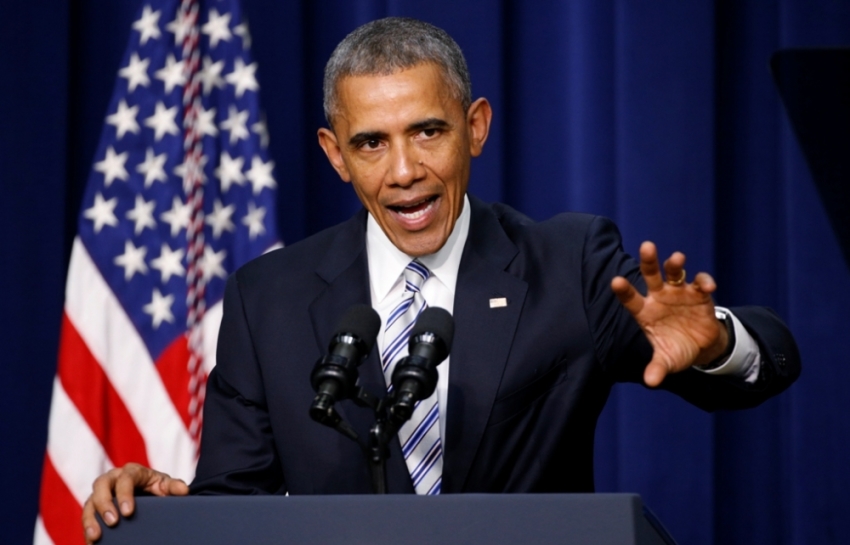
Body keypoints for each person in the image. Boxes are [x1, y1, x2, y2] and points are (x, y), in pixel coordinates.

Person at [82, 17, 800, 543]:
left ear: (475, 127)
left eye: (428, 131)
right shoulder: (266, 296)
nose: (403, 171)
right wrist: (169, 510)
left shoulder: (567, 262)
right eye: (371, 142)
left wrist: (716, 347)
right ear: (336, 154)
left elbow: (768, 355)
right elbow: (235, 506)